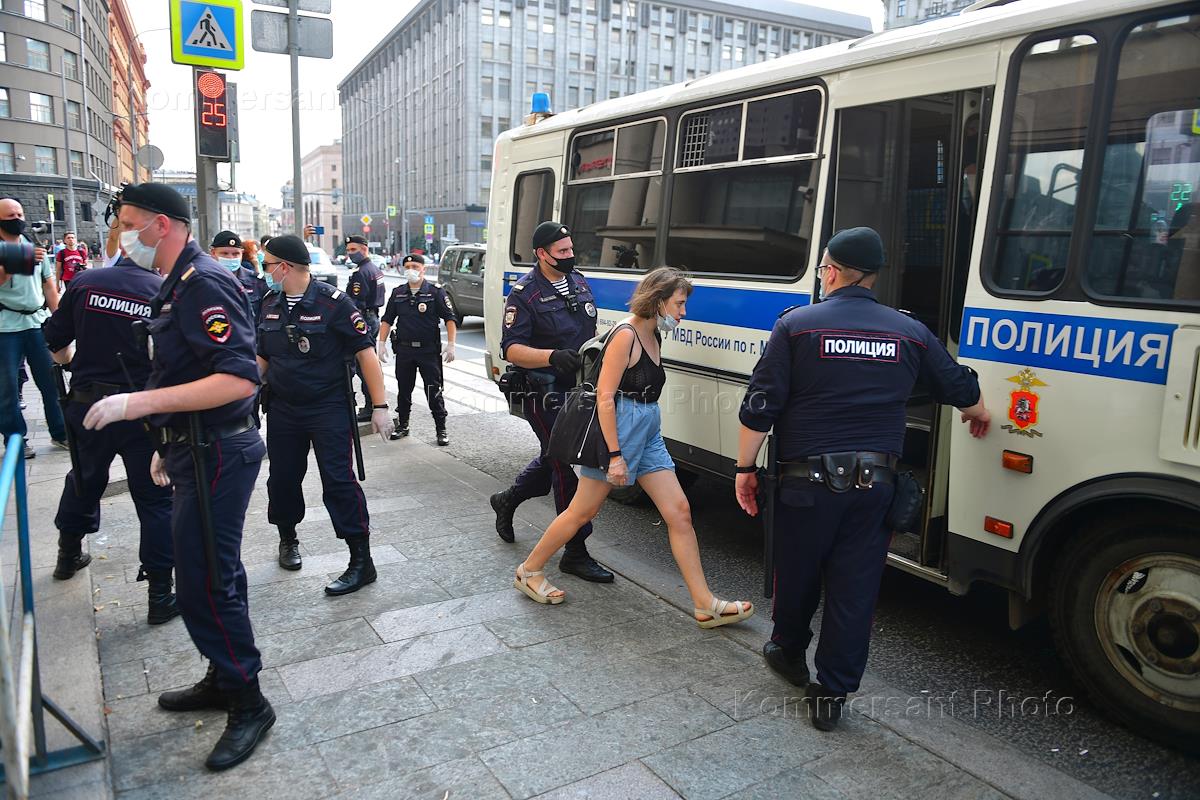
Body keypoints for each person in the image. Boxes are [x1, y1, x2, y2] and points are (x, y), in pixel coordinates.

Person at [734, 227, 991, 732]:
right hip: (876, 487)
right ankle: (831, 694)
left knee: (798, 571)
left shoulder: (797, 325)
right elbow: (961, 388)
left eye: (822, 269)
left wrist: (745, 469)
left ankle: (788, 652)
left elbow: (760, 406)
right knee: (855, 587)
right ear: (872, 276)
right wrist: (977, 412)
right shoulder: (909, 331)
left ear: (830, 271)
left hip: (805, 485)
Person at [81, 183, 273, 771]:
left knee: (203, 582)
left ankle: (248, 701)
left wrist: (136, 405)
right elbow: (180, 370)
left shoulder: (204, 282)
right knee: (214, 572)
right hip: (195, 446)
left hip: (221, 451)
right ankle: (224, 675)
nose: (123, 236)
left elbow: (237, 379)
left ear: (161, 224)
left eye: (129, 223)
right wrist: (165, 440)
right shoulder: (177, 282)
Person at [514, 268, 755, 626]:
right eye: (679, 303)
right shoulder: (625, 335)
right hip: (620, 429)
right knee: (582, 511)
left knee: (679, 512)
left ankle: (705, 604)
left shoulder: (653, 332)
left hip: (647, 429)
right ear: (658, 301)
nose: (683, 312)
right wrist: (614, 455)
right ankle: (529, 570)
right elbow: (605, 398)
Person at [42, 251, 178, 625]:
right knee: (156, 499)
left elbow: (55, 344)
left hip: (89, 406)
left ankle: (67, 555)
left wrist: (75, 362)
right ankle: (160, 595)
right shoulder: (161, 290)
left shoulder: (85, 282)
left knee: (84, 479)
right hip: (142, 412)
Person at [257, 234, 393, 589]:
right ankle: (288, 539)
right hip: (283, 408)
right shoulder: (269, 303)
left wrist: (380, 406)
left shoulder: (334, 303)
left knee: (338, 481)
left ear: (284, 267)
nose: (264, 271)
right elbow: (263, 356)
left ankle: (361, 561)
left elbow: (365, 354)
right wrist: (241, 392)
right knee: (282, 479)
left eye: (267, 265)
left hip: (328, 407)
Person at [490, 221, 611, 583]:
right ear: (542, 254)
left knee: (552, 456)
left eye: (571, 249)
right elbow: (511, 348)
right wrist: (551, 356)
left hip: (579, 389)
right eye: (562, 251)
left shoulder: (578, 282)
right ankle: (575, 551)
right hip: (542, 391)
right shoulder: (524, 294)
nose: (570, 255)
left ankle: (508, 499)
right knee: (563, 464)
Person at [0, 197, 67, 460]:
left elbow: (49, 287)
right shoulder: (21, 251)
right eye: (10, 216)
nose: (17, 219)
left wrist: (60, 322)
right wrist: (20, 260)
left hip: (37, 323)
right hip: (5, 328)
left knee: (51, 382)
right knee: (7, 388)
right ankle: (16, 439)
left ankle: (60, 432)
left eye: (19, 214)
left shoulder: (32, 246)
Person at [377, 254, 456, 445]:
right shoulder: (398, 293)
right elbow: (387, 319)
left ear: (423, 269)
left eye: (415, 266)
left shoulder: (435, 292)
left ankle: (441, 429)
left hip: (428, 352)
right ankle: (403, 425)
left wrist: (451, 343)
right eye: (407, 266)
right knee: (404, 390)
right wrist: (381, 342)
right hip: (404, 351)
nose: (410, 269)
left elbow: (450, 318)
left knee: (433, 391)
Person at [342, 234, 384, 422]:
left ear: (364, 249)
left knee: (362, 364)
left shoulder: (361, 273)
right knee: (370, 361)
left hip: (363, 318)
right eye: (348, 250)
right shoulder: (374, 268)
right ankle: (374, 402)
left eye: (353, 249)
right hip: (373, 316)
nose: (350, 253)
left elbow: (355, 303)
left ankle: (370, 406)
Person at [210, 231, 267, 323]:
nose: (230, 258)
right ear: (213, 253)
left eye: (236, 254)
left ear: (242, 253)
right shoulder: (204, 280)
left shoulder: (257, 282)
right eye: (224, 253)